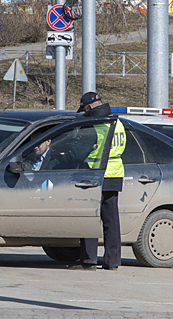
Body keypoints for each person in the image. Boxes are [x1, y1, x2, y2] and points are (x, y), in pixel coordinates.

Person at [68, 92, 126, 271]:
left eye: (84, 109)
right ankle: (113, 261)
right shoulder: (117, 122)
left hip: (94, 174)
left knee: (90, 217)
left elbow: (78, 153)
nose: (84, 113)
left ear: (90, 107)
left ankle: (88, 259)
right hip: (115, 173)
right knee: (112, 220)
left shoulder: (94, 124)